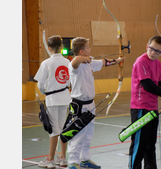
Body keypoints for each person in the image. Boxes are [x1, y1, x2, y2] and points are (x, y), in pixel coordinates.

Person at [67, 37, 125, 169]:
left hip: (90, 104)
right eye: (87, 47)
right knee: (78, 133)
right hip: (79, 105)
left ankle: (85, 160)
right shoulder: (74, 65)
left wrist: (118, 61)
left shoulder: (89, 62)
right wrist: (87, 59)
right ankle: (73, 162)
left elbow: (104, 62)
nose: (90, 49)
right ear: (81, 51)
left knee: (88, 133)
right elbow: (76, 60)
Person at [34, 35, 71, 168]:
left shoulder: (46, 63)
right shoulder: (68, 62)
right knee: (62, 128)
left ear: (49, 48)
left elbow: (40, 84)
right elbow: (70, 80)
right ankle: (62, 157)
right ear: (61, 47)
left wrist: (45, 92)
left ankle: (50, 159)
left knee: (53, 130)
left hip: (53, 99)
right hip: (65, 98)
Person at [128, 36, 161, 169]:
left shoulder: (158, 64)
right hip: (140, 109)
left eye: (157, 51)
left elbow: (159, 86)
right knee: (139, 144)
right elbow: (148, 85)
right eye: (151, 48)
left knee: (150, 144)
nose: (153, 52)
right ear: (146, 46)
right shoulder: (141, 61)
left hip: (153, 109)